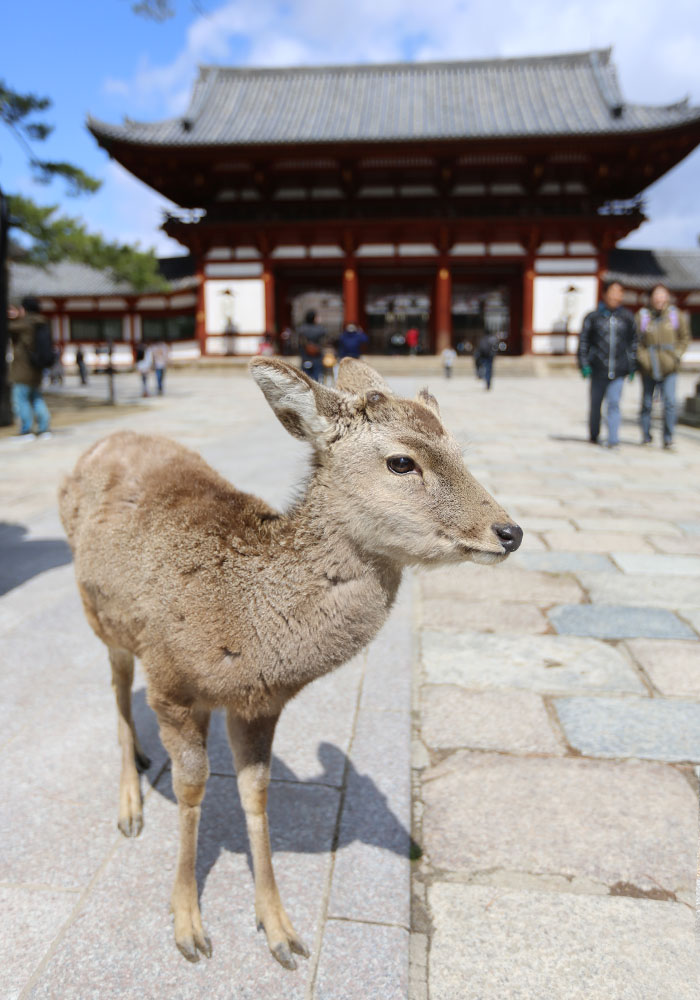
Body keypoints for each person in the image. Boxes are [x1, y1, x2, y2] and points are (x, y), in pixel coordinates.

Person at [577, 280, 636, 448]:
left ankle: (613, 439)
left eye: (620, 292)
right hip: (597, 368)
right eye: (613, 292)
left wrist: (632, 365)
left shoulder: (627, 317)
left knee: (614, 403)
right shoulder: (593, 317)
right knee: (596, 405)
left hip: (618, 369)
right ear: (604, 294)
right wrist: (584, 364)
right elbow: (583, 342)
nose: (617, 296)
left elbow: (633, 343)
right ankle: (594, 434)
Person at [635, 283, 690, 450]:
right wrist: (643, 359)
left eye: (663, 294)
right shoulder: (643, 316)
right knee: (646, 402)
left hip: (669, 366)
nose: (659, 298)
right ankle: (646, 435)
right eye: (656, 295)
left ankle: (668, 437)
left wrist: (676, 356)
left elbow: (684, 337)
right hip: (648, 365)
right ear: (650, 297)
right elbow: (636, 341)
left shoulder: (675, 315)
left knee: (670, 402)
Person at [8, 296, 52, 439]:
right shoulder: (42, 322)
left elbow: (8, 327)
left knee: (21, 399)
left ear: (24, 309)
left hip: (23, 368)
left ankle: (26, 430)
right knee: (36, 398)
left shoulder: (25, 323)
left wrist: (13, 317)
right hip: (37, 368)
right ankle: (44, 428)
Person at [296, 309, 326, 382]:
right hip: (317, 357)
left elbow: (298, 343)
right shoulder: (320, 329)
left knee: (305, 378)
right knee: (316, 378)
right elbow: (324, 341)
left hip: (305, 356)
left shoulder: (301, 329)